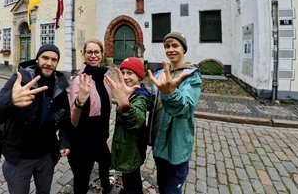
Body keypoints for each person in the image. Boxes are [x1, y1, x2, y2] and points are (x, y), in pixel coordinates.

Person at [0, 44, 71, 194]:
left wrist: (64, 141)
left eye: (54, 59)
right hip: (19, 157)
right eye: (45, 58)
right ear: (37, 59)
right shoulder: (19, 79)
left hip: (46, 156)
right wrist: (11, 99)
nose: (49, 63)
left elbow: (65, 119)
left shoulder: (60, 85)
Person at [148, 32, 202, 194]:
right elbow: (154, 103)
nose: (170, 49)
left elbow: (185, 107)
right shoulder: (160, 73)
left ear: (183, 49)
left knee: (172, 190)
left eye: (174, 45)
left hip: (176, 146)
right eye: (167, 46)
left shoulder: (191, 76)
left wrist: (170, 93)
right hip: (159, 142)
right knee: (162, 186)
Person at [68, 39, 113, 194]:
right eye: (89, 52)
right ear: (84, 54)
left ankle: (106, 186)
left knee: (106, 162)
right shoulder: (79, 81)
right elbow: (73, 119)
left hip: (100, 138)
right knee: (82, 179)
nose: (93, 55)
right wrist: (80, 102)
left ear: (102, 54)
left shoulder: (104, 78)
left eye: (97, 52)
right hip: (82, 142)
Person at [104, 57, 153, 194]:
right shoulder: (128, 93)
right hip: (127, 147)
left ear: (139, 77)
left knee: (132, 178)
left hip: (132, 149)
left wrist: (125, 105)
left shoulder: (140, 98)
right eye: (123, 72)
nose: (125, 77)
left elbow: (136, 121)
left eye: (130, 73)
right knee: (128, 175)